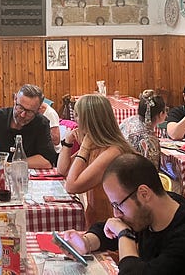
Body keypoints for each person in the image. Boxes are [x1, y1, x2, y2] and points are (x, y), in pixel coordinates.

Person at [61, 153, 185, 275]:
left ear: (144, 193)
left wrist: (124, 234)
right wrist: (86, 242)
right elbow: (106, 230)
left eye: (118, 205)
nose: (116, 214)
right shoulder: (155, 209)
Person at [57, 94, 135, 227]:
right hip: (98, 222)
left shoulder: (114, 151)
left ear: (88, 121)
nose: (75, 120)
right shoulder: (98, 145)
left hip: (113, 227)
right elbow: (63, 170)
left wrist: (84, 147)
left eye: (77, 115)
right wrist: (68, 143)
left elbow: (72, 186)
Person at [119, 90, 167, 169]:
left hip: (117, 169)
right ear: (161, 114)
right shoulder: (149, 139)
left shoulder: (128, 121)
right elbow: (152, 171)